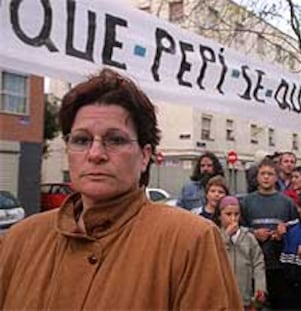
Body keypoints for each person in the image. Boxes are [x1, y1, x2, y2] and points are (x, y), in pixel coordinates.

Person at [0, 69, 243, 310]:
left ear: (145, 155)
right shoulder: (20, 240)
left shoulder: (191, 241)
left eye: (115, 139)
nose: (95, 154)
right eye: (82, 140)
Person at [241, 157, 298, 309]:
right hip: (254, 265)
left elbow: (296, 230)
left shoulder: (287, 202)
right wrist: (254, 233)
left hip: (280, 266)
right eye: (263, 173)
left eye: (270, 174)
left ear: (276, 177)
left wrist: (282, 234)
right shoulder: (246, 202)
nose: (266, 177)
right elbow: (240, 230)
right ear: (257, 177)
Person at [214, 196, 267, 309]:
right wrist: (226, 236)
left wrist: (260, 288)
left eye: (236, 214)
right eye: (228, 214)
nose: (233, 218)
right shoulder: (215, 236)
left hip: (244, 297)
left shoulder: (248, 237)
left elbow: (258, 264)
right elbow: (212, 258)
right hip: (221, 299)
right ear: (219, 216)